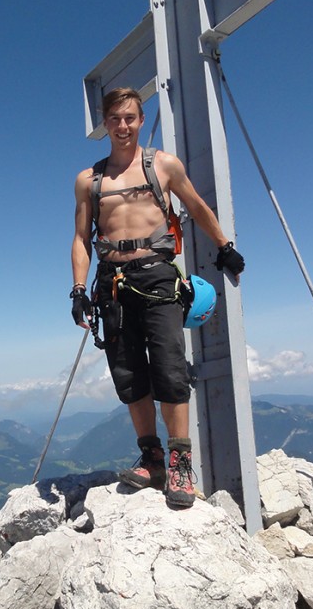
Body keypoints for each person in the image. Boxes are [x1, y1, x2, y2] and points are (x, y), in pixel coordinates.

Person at [70, 87, 245, 508]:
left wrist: (223, 246)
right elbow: (80, 238)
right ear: (105, 123)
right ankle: (152, 459)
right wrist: (78, 289)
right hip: (112, 283)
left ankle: (181, 463)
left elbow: (196, 205)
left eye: (130, 117)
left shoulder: (163, 165)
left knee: (169, 369)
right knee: (129, 376)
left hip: (158, 278)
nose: (123, 126)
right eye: (115, 119)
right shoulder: (89, 181)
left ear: (141, 119)